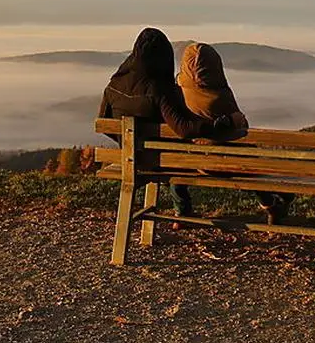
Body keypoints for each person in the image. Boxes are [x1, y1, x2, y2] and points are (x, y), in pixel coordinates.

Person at [98, 28, 241, 223]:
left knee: (173, 153)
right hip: (161, 161)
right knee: (180, 153)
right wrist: (215, 127)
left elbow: (105, 125)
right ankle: (182, 210)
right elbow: (183, 129)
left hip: (131, 159)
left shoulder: (113, 85)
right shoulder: (160, 89)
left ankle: (182, 211)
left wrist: (129, 144)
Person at [176, 42, 295, 225]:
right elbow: (240, 130)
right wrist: (238, 118)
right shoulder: (219, 97)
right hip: (221, 164)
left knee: (179, 164)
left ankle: (182, 212)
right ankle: (270, 204)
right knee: (247, 160)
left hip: (187, 160)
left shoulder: (177, 92)